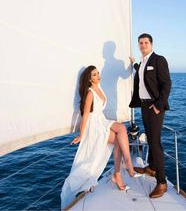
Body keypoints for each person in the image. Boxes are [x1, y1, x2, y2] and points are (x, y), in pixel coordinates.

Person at [61, 65, 135, 210]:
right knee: (120, 132)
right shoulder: (90, 93)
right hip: (95, 125)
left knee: (121, 133)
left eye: (98, 73)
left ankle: (119, 172)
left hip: (102, 120)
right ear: (89, 79)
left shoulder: (99, 88)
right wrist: (82, 135)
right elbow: (86, 115)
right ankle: (125, 166)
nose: (98, 76)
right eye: (94, 74)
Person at [129, 33, 171, 198]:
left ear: (151, 44)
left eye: (146, 42)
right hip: (144, 106)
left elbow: (167, 84)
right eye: (140, 43)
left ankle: (162, 183)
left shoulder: (159, 60)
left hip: (155, 107)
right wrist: (134, 64)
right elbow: (140, 72)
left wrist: (158, 106)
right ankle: (152, 168)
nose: (143, 45)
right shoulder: (143, 63)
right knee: (151, 140)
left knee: (155, 143)